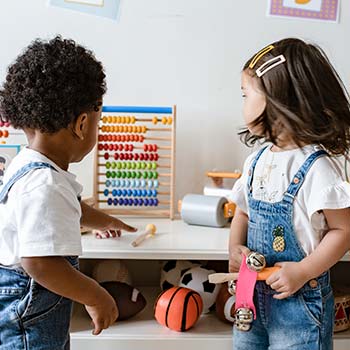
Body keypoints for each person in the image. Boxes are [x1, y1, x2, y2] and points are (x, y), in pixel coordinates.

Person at [0, 36, 137, 349]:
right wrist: (96, 296)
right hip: (29, 322)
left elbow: (68, 208)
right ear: (82, 124)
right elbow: (40, 263)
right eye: (98, 123)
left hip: (31, 312)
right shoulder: (44, 184)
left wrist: (103, 221)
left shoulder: (29, 164)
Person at [228, 38, 350, 349]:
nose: (242, 103)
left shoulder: (316, 168)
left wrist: (303, 270)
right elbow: (243, 212)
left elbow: (344, 229)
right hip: (250, 298)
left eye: (245, 95)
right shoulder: (256, 161)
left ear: (277, 99)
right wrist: (234, 248)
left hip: (299, 303)